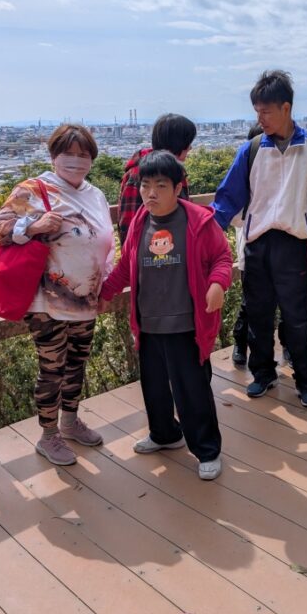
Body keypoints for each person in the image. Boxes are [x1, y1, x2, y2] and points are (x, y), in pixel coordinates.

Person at [100, 150, 232, 481]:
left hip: (187, 323)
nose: (151, 194)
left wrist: (217, 285)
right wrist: (104, 293)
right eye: (145, 186)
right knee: (154, 387)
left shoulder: (198, 221)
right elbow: (125, 268)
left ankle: (207, 449)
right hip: (149, 323)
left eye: (160, 186)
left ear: (178, 188)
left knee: (192, 390)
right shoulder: (139, 224)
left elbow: (222, 258)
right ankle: (164, 434)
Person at [0, 123, 114, 466]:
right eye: (68, 154)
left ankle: (71, 422)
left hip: (87, 296)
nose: (75, 161)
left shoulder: (95, 195)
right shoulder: (34, 188)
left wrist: (106, 285)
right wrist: (33, 226)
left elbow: (108, 243)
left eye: (83, 154)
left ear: (92, 159)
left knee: (77, 363)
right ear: (53, 156)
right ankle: (48, 436)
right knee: (52, 367)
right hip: (48, 300)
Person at [212, 70, 307, 409]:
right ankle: (263, 373)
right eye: (257, 112)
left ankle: (306, 380)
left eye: (266, 111)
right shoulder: (252, 149)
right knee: (258, 313)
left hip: (295, 243)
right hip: (257, 244)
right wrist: (209, 234)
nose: (260, 118)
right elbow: (227, 197)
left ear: (286, 107)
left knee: (299, 316)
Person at [231, 123, 291, 368]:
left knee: (286, 303)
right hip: (252, 252)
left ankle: (287, 347)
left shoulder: (286, 175)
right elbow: (234, 214)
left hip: (284, 252)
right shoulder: (244, 175)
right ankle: (241, 345)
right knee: (252, 304)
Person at [117, 113, 197, 246]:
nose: (190, 147)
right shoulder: (139, 173)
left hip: (173, 249)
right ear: (178, 143)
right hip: (149, 252)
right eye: (188, 142)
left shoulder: (175, 171)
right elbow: (129, 223)